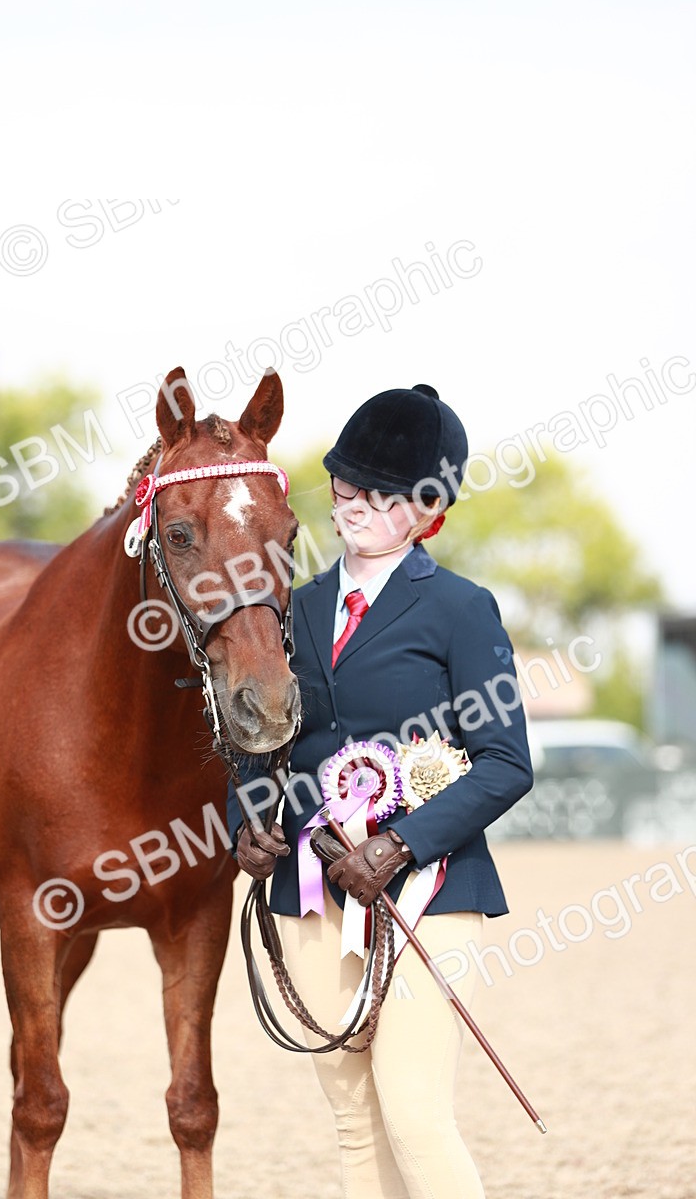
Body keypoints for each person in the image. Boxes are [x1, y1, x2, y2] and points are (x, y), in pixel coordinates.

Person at [227, 384, 533, 1199]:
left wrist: (399, 844)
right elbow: (262, 746)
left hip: (427, 894)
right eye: (346, 483)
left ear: (427, 513)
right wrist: (249, 821)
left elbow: (506, 761)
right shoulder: (293, 607)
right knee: (356, 1128)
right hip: (314, 896)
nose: (354, 503)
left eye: (381, 494)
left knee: (414, 1116)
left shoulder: (464, 612)